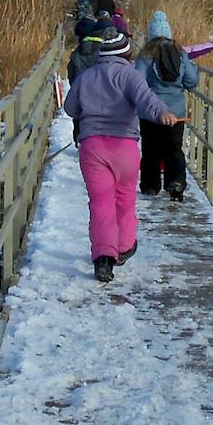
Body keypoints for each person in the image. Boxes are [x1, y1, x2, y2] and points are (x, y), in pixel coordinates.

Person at [63, 26, 179, 283]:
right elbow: (146, 100)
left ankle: (103, 259)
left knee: (100, 202)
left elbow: (70, 108)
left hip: (93, 147)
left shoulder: (87, 76)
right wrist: (162, 113)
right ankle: (124, 247)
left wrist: (89, 110)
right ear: (126, 53)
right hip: (124, 148)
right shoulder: (131, 76)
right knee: (124, 199)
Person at [135, 11, 201, 202]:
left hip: (150, 112)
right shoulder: (180, 53)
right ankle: (177, 181)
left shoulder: (146, 55)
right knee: (174, 148)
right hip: (176, 112)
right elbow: (192, 80)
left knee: (150, 149)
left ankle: (150, 185)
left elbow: (137, 81)